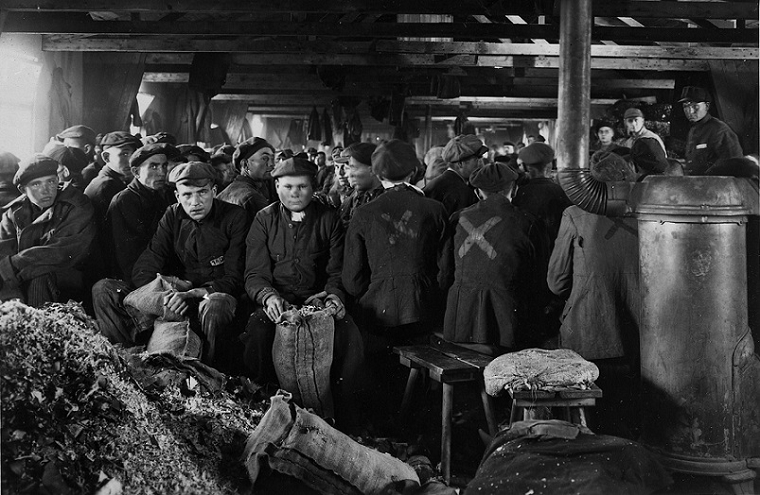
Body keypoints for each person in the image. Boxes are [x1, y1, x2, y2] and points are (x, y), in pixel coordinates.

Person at [240, 157, 365, 430]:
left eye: (302, 187)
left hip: (316, 301)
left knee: (349, 334)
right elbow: (254, 273)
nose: (294, 193)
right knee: (257, 331)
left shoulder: (329, 219)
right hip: (278, 299)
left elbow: (337, 271)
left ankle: (346, 421)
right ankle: (260, 409)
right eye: (287, 186)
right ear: (276, 186)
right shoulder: (264, 220)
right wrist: (268, 296)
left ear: (314, 188)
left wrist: (333, 296)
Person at [92, 162, 247, 364]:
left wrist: (193, 294)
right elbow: (147, 264)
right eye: (187, 195)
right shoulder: (173, 214)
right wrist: (165, 296)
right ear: (177, 196)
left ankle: (209, 374)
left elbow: (235, 277)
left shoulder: (235, 217)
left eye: (202, 193)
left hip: (210, 295)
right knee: (103, 289)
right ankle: (127, 363)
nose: (195, 202)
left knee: (216, 304)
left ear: (214, 191)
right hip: (176, 296)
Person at [547, 152, 641, 437]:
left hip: (588, 335)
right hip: (640, 338)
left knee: (589, 427)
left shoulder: (575, 215)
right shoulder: (650, 210)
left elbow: (557, 282)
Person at [441, 162, 545, 353]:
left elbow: (445, 272)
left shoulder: (457, 218)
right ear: (513, 189)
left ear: (478, 192)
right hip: (508, 326)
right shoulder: (527, 222)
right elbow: (538, 279)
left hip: (459, 323)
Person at [0, 154, 95, 306]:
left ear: (58, 180)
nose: (46, 190)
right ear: (23, 189)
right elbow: (4, 249)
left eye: (50, 181)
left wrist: (12, 267)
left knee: (39, 277)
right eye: (36, 184)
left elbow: (60, 253)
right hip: (24, 271)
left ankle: (39, 327)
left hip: (70, 274)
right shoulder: (14, 212)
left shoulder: (76, 205)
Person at [106, 143, 179, 285]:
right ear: (136, 172)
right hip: (140, 279)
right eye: (153, 166)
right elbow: (128, 256)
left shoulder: (167, 194)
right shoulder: (124, 201)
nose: (161, 172)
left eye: (164, 166)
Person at [679, 86, 743, 176]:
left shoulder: (720, 130)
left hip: (716, 186)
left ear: (707, 106)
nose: (690, 111)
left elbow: (735, 163)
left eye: (695, 106)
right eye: (686, 106)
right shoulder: (693, 131)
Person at [424, 134, 487, 216]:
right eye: (476, 159)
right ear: (460, 164)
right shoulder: (461, 192)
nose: (480, 164)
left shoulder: (438, 182)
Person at [217, 137, 276, 221]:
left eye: (272, 158)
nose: (271, 164)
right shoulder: (252, 198)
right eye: (264, 158)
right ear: (245, 164)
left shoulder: (224, 193)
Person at [336, 142, 383, 228]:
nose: (347, 175)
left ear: (372, 169)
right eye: (347, 168)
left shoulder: (385, 202)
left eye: (353, 168)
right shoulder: (355, 196)